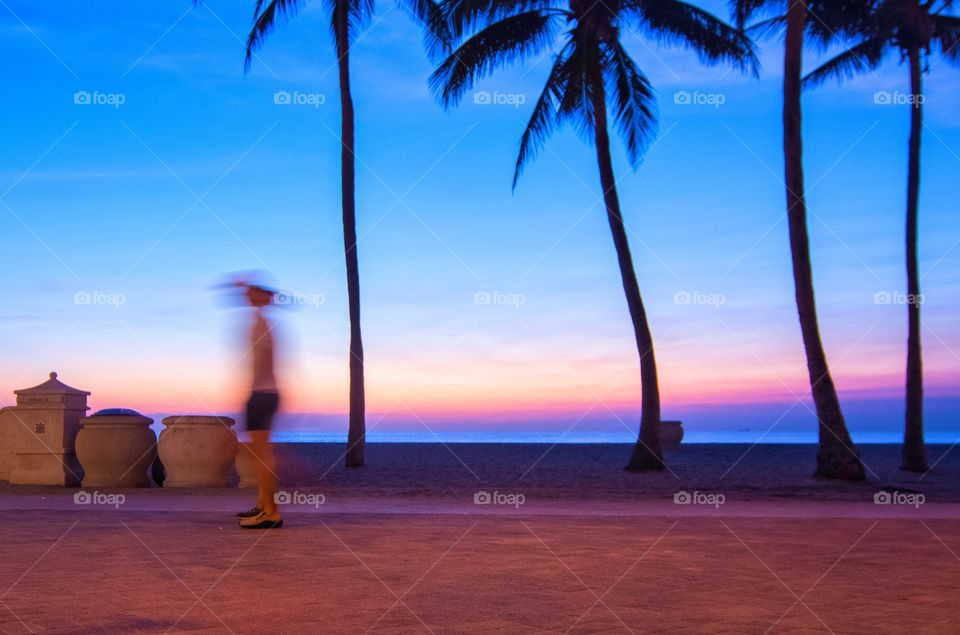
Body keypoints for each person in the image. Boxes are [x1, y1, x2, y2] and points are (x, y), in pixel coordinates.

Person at [235, 283, 283, 529]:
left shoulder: (262, 323)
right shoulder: (260, 321)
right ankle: (262, 503)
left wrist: (256, 394)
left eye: (252, 292)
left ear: (262, 297)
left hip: (263, 394)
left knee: (263, 453)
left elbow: (264, 363)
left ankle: (271, 512)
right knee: (259, 452)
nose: (246, 295)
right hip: (262, 393)